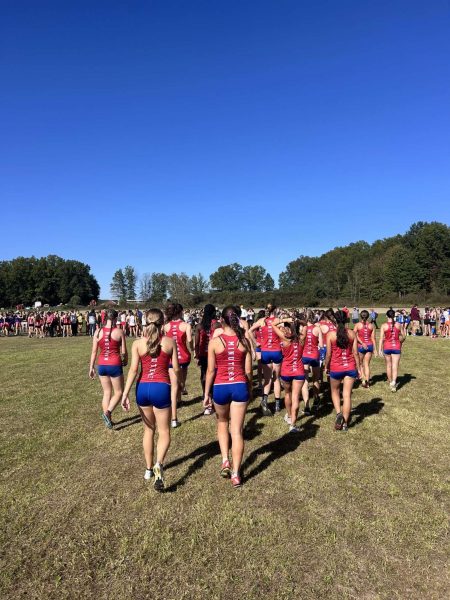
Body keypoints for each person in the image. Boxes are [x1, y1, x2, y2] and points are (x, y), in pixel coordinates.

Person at [121, 309, 180, 491]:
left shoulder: (138, 344)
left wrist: (124, 394)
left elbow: (132, 370)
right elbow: (176, 369)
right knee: (164, 432)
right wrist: (178, 383)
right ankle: (159, 464)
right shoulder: (169, 342)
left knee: (148, 430)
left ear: (145, 323)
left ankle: (148, 469)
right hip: (161, 388)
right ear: (163, 324)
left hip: (142, 389)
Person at [204, 306, 252, 488]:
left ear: (221, 320)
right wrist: (249, 389)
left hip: (220, 388)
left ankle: (225, 460)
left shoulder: (215, 342)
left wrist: (206, 394)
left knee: (222, 423)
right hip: (240, 387)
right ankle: (236, 474)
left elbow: (210, 371)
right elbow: (248, 371)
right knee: (237, 431)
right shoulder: (244, 341)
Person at [89, 309, 128, 428]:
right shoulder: (119, 332)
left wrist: (91, 367)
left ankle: (108, 420)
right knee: (119, 392)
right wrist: (126, 360)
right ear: (116, 319)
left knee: (107, 392)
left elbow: (94, 351)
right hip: (114, 364)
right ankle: (108, 413)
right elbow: (124, 352)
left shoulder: (97, 331)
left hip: (102, 365)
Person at [324, 310, 360, 431]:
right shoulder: (351, 333)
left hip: (336, 367)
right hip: (350, 367)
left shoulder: (330, 334)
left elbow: (328, 354)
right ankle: (345, 423)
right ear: (346, 320)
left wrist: (326, 366)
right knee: (347, 395)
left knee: (334, 391)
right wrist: (359, 368)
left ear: (335, 319)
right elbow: (355, 353)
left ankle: (339, 414)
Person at [249, 304, 283, 416]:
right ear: (276, 310)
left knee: (267, 379)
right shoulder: (278, 320)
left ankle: (264, 401)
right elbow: (284, 333)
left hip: (265, 352)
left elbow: (249, 331)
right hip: (277, 351)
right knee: (276, 379)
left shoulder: (261, 320)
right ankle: (277, 405)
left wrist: (256, 343)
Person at [272, 319, 305, 432]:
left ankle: (290, 416)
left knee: (287, 393)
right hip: (299, 371)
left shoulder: (284, 338)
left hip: (286, 370)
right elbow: (306, 324)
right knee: (295, 397)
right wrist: (297, 321)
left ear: (288, 328)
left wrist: (285, 319)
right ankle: (293, 424)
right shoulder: (302, 338)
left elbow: (272, 324)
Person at [164, 302, 192, 428]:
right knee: (181, 381)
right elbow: (190, 341)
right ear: (180, 312)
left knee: (174, 386)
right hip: (184, 357)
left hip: (170, 359)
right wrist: (193, 349)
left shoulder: (166, 326)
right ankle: (174, 417)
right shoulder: (186, 325)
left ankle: (175, 415)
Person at [194, 303, 218, 413]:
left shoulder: (199, 325)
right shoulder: (217, 325)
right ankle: (212, 400)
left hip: (203, 354)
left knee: (204, 376)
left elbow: (197, 343)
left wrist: (196, 355)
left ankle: (206, 397)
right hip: (215, 354)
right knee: (214, 376)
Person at [301, 310, 323, 414]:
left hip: (305, 356)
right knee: (315, 379)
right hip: (315, 355)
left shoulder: (302, 328)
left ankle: (306, 405)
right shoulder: (317, 328)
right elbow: (321, 345)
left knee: (305, 381)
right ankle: (316, 399)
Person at [379, 309, 405, 392]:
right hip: (396, 347)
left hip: (387, 347)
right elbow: (403, 336)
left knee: (388, 365)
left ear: (387, 316)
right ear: (394, 316)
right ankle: (394, 381)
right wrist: (400, 341)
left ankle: (391, 382)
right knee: (395, 365)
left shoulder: (383, 325)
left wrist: (379, 349)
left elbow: (380, 339)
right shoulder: (399, 324)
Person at [353, 309, 377, 388]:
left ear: (360, 316)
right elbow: (373, 338)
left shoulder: (357, 325)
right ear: (368, 316)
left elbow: (354, 335)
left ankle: (363, 379)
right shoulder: (372, 325)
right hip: (370, 346)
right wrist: (375, 349)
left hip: (361, 346)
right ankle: (368, 382)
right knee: (367, 364)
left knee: (359, 364)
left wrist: (362, 342)